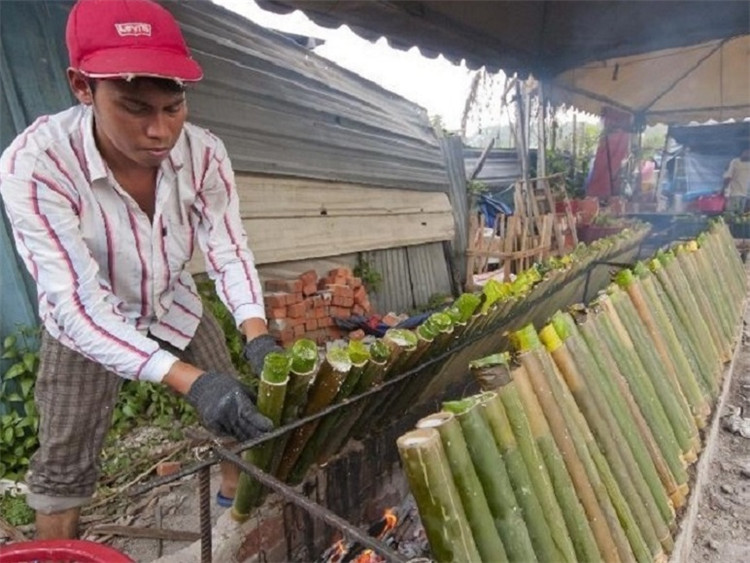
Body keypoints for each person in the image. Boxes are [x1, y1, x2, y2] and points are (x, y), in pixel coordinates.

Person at [0, 0, 282, 540]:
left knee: (235, 415)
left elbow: (227, 246)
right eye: (135, 108)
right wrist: (192, 383)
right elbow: (78, 306)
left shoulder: (205, 154)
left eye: (173, 107)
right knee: (64, 464)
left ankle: (233, 526)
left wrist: (256, 331)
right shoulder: (36, 164)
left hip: (173, 300)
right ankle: (59, 552)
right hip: (85, 323)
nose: (160, 131)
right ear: (82, 87)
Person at [723, 148, 750, 213]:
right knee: (733, 214)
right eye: (747, 152)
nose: (748, 154)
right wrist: (723, 189)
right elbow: (728, 177)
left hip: (744, 195)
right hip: (735, 194)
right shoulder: (735, 162)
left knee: (738, 215)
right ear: (742, 153)